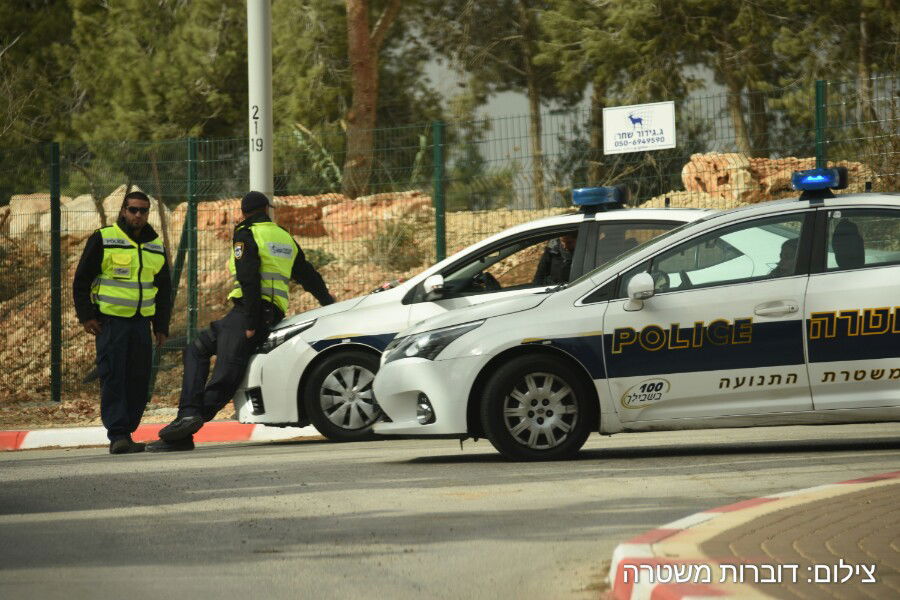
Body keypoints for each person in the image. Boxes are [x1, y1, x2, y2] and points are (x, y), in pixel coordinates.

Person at [147, 191, 335, 451]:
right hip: (255, 312)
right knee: (197, 348)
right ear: (266, 210)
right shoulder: (284, 237)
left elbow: (248, 276)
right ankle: (187, 417)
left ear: (244, 212)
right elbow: (308, 275)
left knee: (226, 375)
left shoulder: (246, 232)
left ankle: (186, 426)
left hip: (251, 311)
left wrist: (251, 321)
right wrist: (329, 303)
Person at [72, 191, 172, 454]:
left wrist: (161, 326)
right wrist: (87, 316)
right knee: (114, 376)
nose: (138, 215)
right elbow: (82, 280)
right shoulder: (104, 238)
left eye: (143, 210)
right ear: (123, 211)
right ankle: (118, 435)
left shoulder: (155, 246)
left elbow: (163, 290)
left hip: (141, 324)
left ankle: (127, 431)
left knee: (138, 379)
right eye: (133, 210)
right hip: (111, 323)